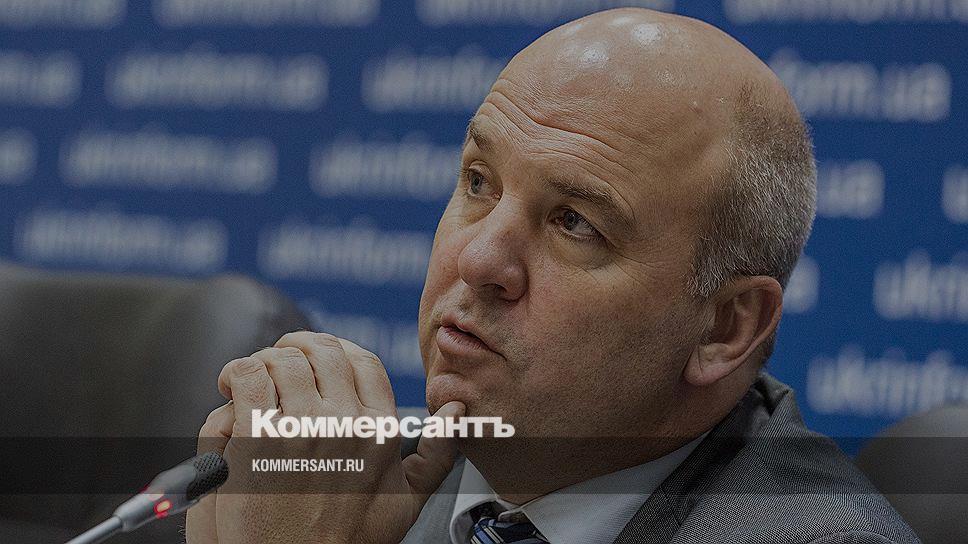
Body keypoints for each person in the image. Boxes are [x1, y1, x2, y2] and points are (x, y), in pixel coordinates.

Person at [186, 8, 919, 544]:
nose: (478, 260)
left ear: (725, 327)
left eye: (575, 222)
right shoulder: (355, 485)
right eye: (479, 182)